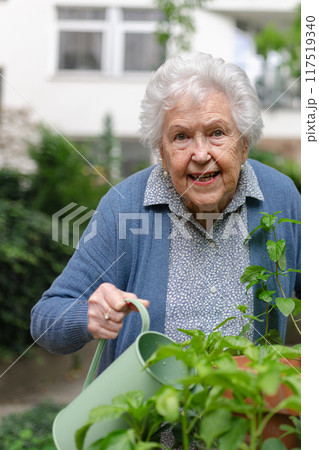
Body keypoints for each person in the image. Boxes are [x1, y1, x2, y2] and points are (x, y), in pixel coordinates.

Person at [30, 52, 300, 373]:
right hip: (145, 420)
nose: (201, 154)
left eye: (217, 133)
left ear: (243, 145)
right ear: (161, 151)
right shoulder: (125, 205)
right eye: (181, 136)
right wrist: (87, 316)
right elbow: (45, 320)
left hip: (248, 417)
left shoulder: (280, 196)